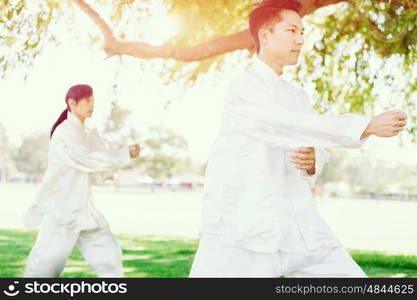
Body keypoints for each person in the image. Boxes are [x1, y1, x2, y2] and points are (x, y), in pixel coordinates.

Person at [189, 0, 407, 277]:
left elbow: (311, 139)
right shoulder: (243, 90)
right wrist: (365, 126)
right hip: (243, 227)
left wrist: (313, 161)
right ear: (265, 36)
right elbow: (289, 125)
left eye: (302, 32)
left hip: (298, 226)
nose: (301, 40)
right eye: (292, 31)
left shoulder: (297, 96)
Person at [23, 84, 140, 277]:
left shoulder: (87, 132)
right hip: (62, 210)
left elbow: (103, 154)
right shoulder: (64, 132)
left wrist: (124, 153)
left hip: (84, 210)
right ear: (72, 103)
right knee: (44, 267)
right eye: (87, 100)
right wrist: (123, 154)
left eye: (93, 100)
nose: (91, 104)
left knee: (110, 257)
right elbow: (89, 159)